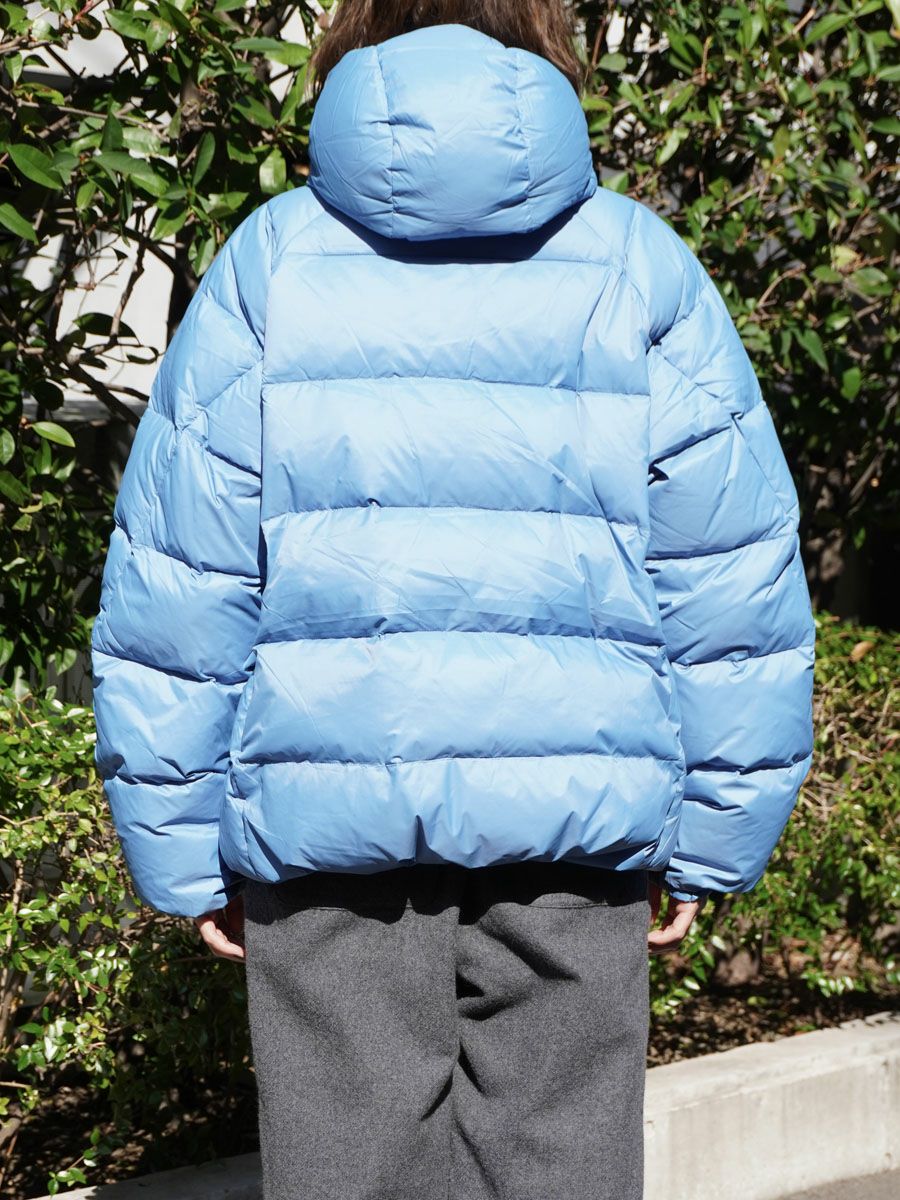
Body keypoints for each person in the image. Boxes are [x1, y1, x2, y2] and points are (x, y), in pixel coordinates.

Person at [89, 3, 816, 1198]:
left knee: (346, 1171)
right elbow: (729, 570)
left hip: (327, 822)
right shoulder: (636, 262)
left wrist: (179, 842)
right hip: (576, 817)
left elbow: (183, 574)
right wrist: (714, 833)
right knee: (565, 1169)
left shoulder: (272, 263)